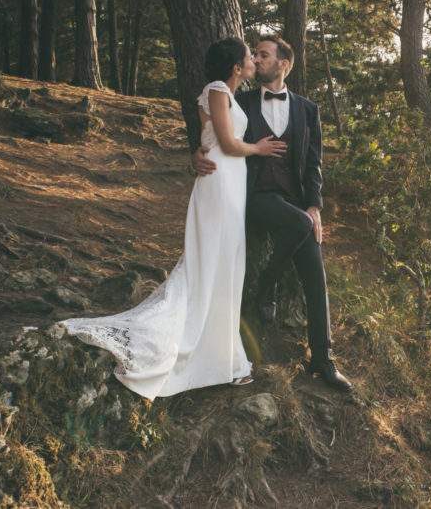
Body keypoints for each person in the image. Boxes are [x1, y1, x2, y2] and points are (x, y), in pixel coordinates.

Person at [63, 38, 286, 400]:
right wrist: (259, 148)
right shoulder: (216, 89)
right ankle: (206, 354)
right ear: (235, 67)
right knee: (210, 264)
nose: (252, 61)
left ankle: (225, 357)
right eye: (249, 57)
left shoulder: (227, 93)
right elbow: (226, 144)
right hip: (220, 184)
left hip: (232, 183)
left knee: (226, 267)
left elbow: (209, 140)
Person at [192, 34, 352, 392]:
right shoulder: (241, 98)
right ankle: (266, 286)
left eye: (264, 55)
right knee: (298, 224)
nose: (258, 60)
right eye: (255, 56)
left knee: (315, 268)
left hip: (294, 201)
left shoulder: (309, 109)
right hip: (255, 198)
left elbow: (313, 165)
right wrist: (197, 155)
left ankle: (323, 359)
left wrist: (314, 206)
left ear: (283, 64)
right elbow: (213, 131)